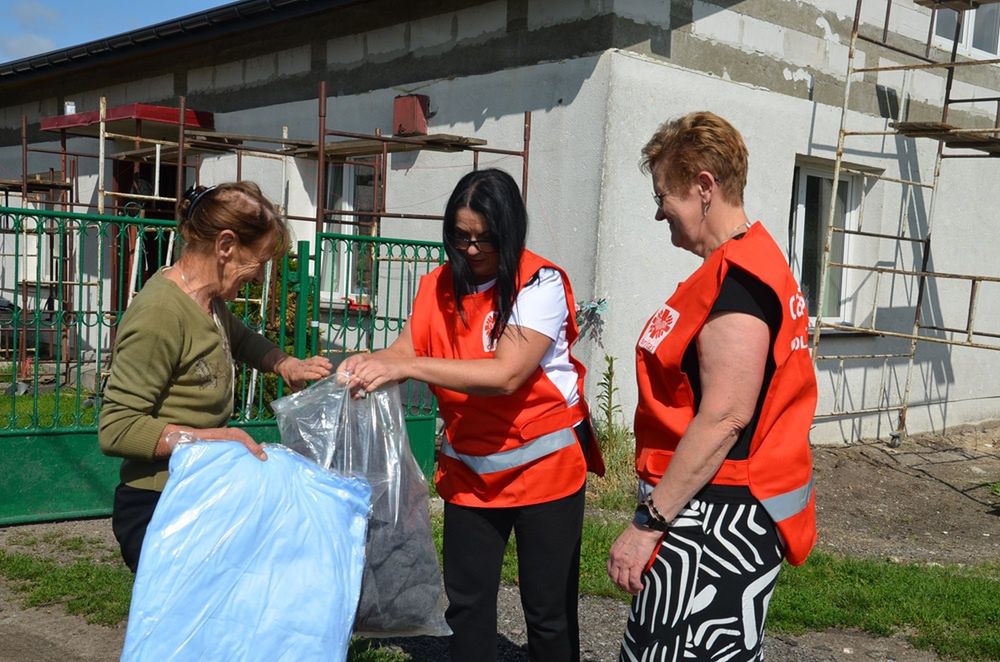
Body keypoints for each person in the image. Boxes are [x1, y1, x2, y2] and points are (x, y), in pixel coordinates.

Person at [341, 168, 604, 662]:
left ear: (510, 230)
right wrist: (371, 365)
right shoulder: (437, 286)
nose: (473, 249)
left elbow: (506, 374)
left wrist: (409, 365)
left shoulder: (538, 283)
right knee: (467, 606)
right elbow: (405, 349)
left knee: (548, 613)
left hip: (543, 473)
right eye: (461, 237)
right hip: (471, 473)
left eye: (486, 238)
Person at [606, 112, 818, 660]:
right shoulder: (746, 265)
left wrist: (648, 524)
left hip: (713, 516)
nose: (658, 214)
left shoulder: (740, 283)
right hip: (715, 506)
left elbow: (726, 415)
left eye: (663, 196)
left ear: (704, 186)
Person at [99, 182, 332, 572]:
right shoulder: (160, 312)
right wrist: (216, 440)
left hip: (196, 490)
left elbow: (239, 340)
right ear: (226, 245)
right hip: (159, 506)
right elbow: (117, 428)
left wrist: (283, 362)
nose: (259, 278)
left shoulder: (207, 302)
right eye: (258, 261)